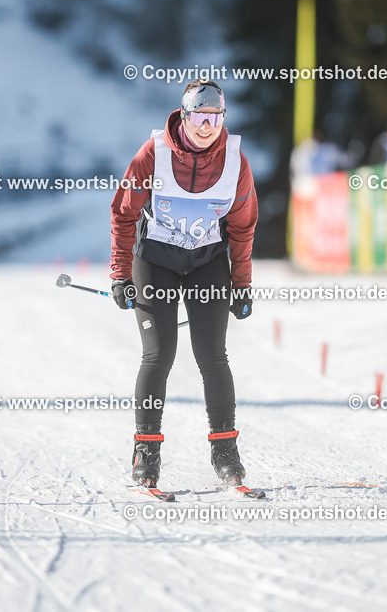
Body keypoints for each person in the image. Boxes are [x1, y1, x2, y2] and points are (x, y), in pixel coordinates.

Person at [110, 80, 258, 488]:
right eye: (199, 116)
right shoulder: (152, 154)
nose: (206, 126)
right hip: (155, 262)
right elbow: (124, 214)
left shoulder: (235, 162)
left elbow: (243, 228)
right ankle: (147, 451)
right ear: (185, 115)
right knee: (159, 354)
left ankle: (225, 452)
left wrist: (242, 285)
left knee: (213, 355)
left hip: (207, 263)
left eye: (215, 117)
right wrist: (120, 274)